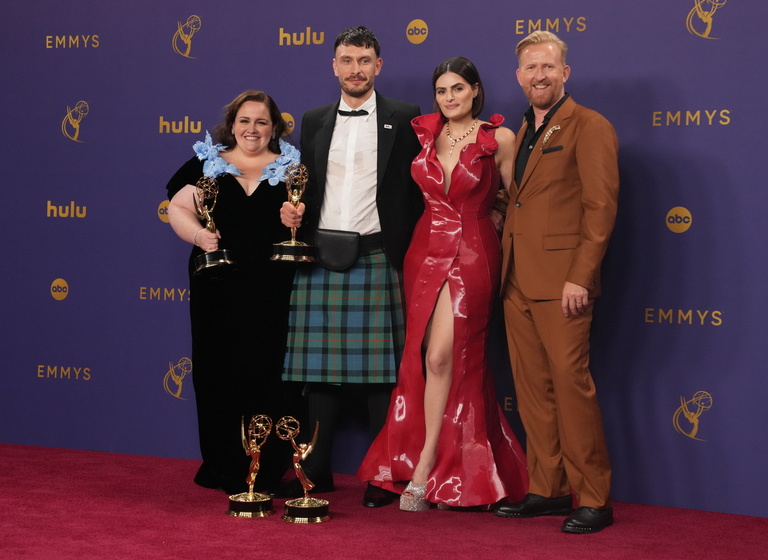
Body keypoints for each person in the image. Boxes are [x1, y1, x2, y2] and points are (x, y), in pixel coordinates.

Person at [357, 56, 528, 511]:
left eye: (458, 88)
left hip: (473, 252)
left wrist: (493, 217)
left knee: (446, 357)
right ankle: (435, 463)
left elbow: (516, 199)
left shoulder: (500, 138)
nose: (449, 98)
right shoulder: (424, 135)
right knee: (426, 359)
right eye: (442, 91)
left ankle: (429, 463)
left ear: (475, 90)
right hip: (424, 250)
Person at [279, 26, 423, 508]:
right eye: (346, 60)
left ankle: (384, 477)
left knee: (383, 375)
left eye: (364, 60)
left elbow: (416, 190)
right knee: (317, 373)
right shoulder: (314, 118)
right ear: (334, 66)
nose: (355, 68)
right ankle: (313, 474)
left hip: (380, 254)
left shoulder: (405, 117)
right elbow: (309, 184)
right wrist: (295, 212)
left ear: (378, 66)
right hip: (320, 255)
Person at [493, 31, 619, 534]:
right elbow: (524, 200)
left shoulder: (589, 125)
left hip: (563, 281)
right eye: (530, 68)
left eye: (548, 67)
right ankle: (547, 488)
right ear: (519, 75)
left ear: (565, 73)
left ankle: (593, 497)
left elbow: (600, 207)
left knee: (571, 389)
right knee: (532, 391)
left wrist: (581, 277)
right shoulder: (523, 129)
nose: (539, 76)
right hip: (516, 279)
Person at [166, 90, 299, 495]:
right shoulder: (208, 161)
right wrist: (201, 236)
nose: (252, 129)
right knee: (217, 372)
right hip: (217, 285)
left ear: (274, 126)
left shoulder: (292, 167)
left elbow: (302, 223)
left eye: (261, 121)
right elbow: (177, 206)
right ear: (232, 124)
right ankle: (224, 464)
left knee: (267, 374)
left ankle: (267, 466)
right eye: (244, 120)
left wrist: (294, 216)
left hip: (271, 290)